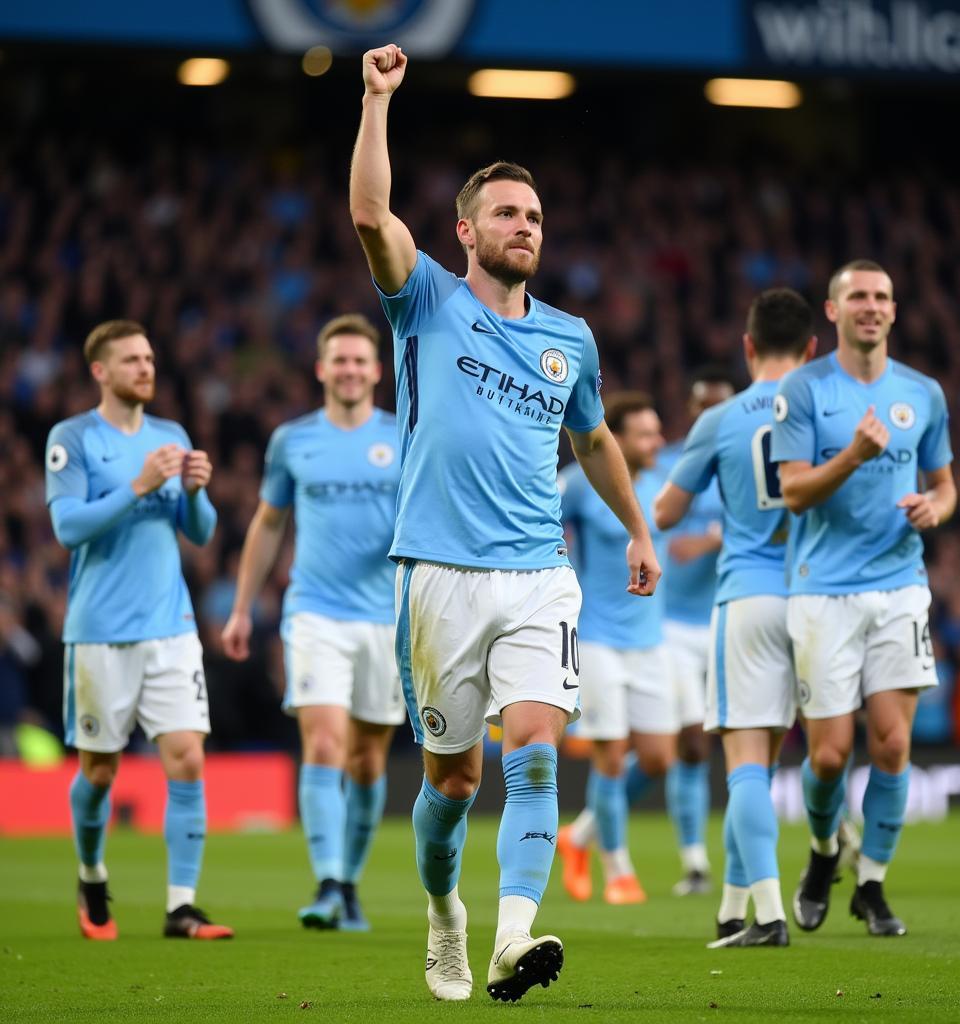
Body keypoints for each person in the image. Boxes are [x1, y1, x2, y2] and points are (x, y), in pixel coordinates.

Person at [350, 44, 661, 1003]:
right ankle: (446, 913)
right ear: (465, 229)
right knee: (450, 783)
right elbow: (368, 212)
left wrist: (640, 530)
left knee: (534, 749)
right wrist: (374, 99)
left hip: (538, 573)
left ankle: (512, 940)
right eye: (507, 214)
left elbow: (598, 440)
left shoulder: (570, 338)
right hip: (436, 574)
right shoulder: (427, 300)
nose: (525, 227)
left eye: (534, 216)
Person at [772, 260, 956, 937]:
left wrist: (936, 507)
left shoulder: (923, 394)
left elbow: (945, 484)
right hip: (822, 590)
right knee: (826, 756)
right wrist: (851, 455)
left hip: (900, 586)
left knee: (893, 745)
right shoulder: (804, 389)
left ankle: (872, 884)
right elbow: (793, 491)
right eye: (858, 297)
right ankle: (824, 855)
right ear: (833, 310)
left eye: (881, 297)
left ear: (894, 310)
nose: (871, 307)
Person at [45, 319, 232, 941]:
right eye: (131, 361)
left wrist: (196, 494)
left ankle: (182, 907)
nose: (146, 368)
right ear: (100, 371)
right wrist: (140, 484)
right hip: (99, 631)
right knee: (99, 771)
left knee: (186, 757)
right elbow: (69, 529)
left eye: (149, 358)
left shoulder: (169, 435)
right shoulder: (72, 439)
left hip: (170, 627)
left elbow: (198, 533)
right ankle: (92, 874)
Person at [221, 314, 404, 931]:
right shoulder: (293, 441)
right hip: (315, 611)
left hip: (387, 619)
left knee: (369, 763)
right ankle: (327, 881)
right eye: (340, 361)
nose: (350, 370)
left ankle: (349, 882)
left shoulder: (405, 435)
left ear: (377, 371)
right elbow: (269, 524)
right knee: (324, 742)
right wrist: (243, 607)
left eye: (360, 361)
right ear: (321, 369)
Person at [654, 289, 818, 947]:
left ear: (748, 347)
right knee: (768, 759)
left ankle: (772, 916)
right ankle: (730, 911)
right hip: (817, 597)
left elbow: (664, 513)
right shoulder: (828, 413)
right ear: (812, 350)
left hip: (746, 596)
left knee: (744, 761)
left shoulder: (720, 418)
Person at [556, 392, 674, 906]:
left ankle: (578, 836)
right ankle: (618, 870)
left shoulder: (667, 484)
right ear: (618, 440)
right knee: (609, 756)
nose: (657, 441)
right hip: (597, 636)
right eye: (646, 433)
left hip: (650, 639)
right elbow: (540, 521)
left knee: (657, 758)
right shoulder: (580, 486)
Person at [658, 369, 735, 896]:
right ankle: (695, 863)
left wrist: (708, 542)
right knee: (688, 741)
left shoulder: (745, 464)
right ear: (691, 408)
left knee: (728, 736)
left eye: (721, 406)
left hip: (730, 614)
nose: (712, 414)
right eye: (704, 405)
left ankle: (591, 825)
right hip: (671, 624)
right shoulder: (667, 465)